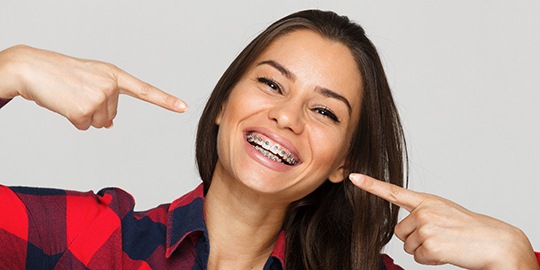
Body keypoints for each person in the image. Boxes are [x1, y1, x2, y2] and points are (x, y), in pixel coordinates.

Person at [0, 9, 538, 270]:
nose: (286, 116)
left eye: (324, 110)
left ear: (340, 162)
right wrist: (9, 69)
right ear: (224, 105)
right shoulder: (100, 243)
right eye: (271, 83)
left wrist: (516, 261)